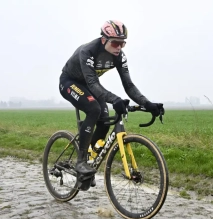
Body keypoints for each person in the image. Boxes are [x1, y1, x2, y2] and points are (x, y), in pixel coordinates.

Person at [59, 20, 164, 179]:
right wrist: (115, 99)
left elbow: (128, 85)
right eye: (116, 43)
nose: (119, 47)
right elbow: (93, 83)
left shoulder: (119, 56)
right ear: (103, 40)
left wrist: (147, 104)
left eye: (123, 44)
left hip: (89, 85)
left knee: (104, 119)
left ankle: (89, 158)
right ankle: (80, 162)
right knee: (94, 109)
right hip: (69, 82)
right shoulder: (88, 51)